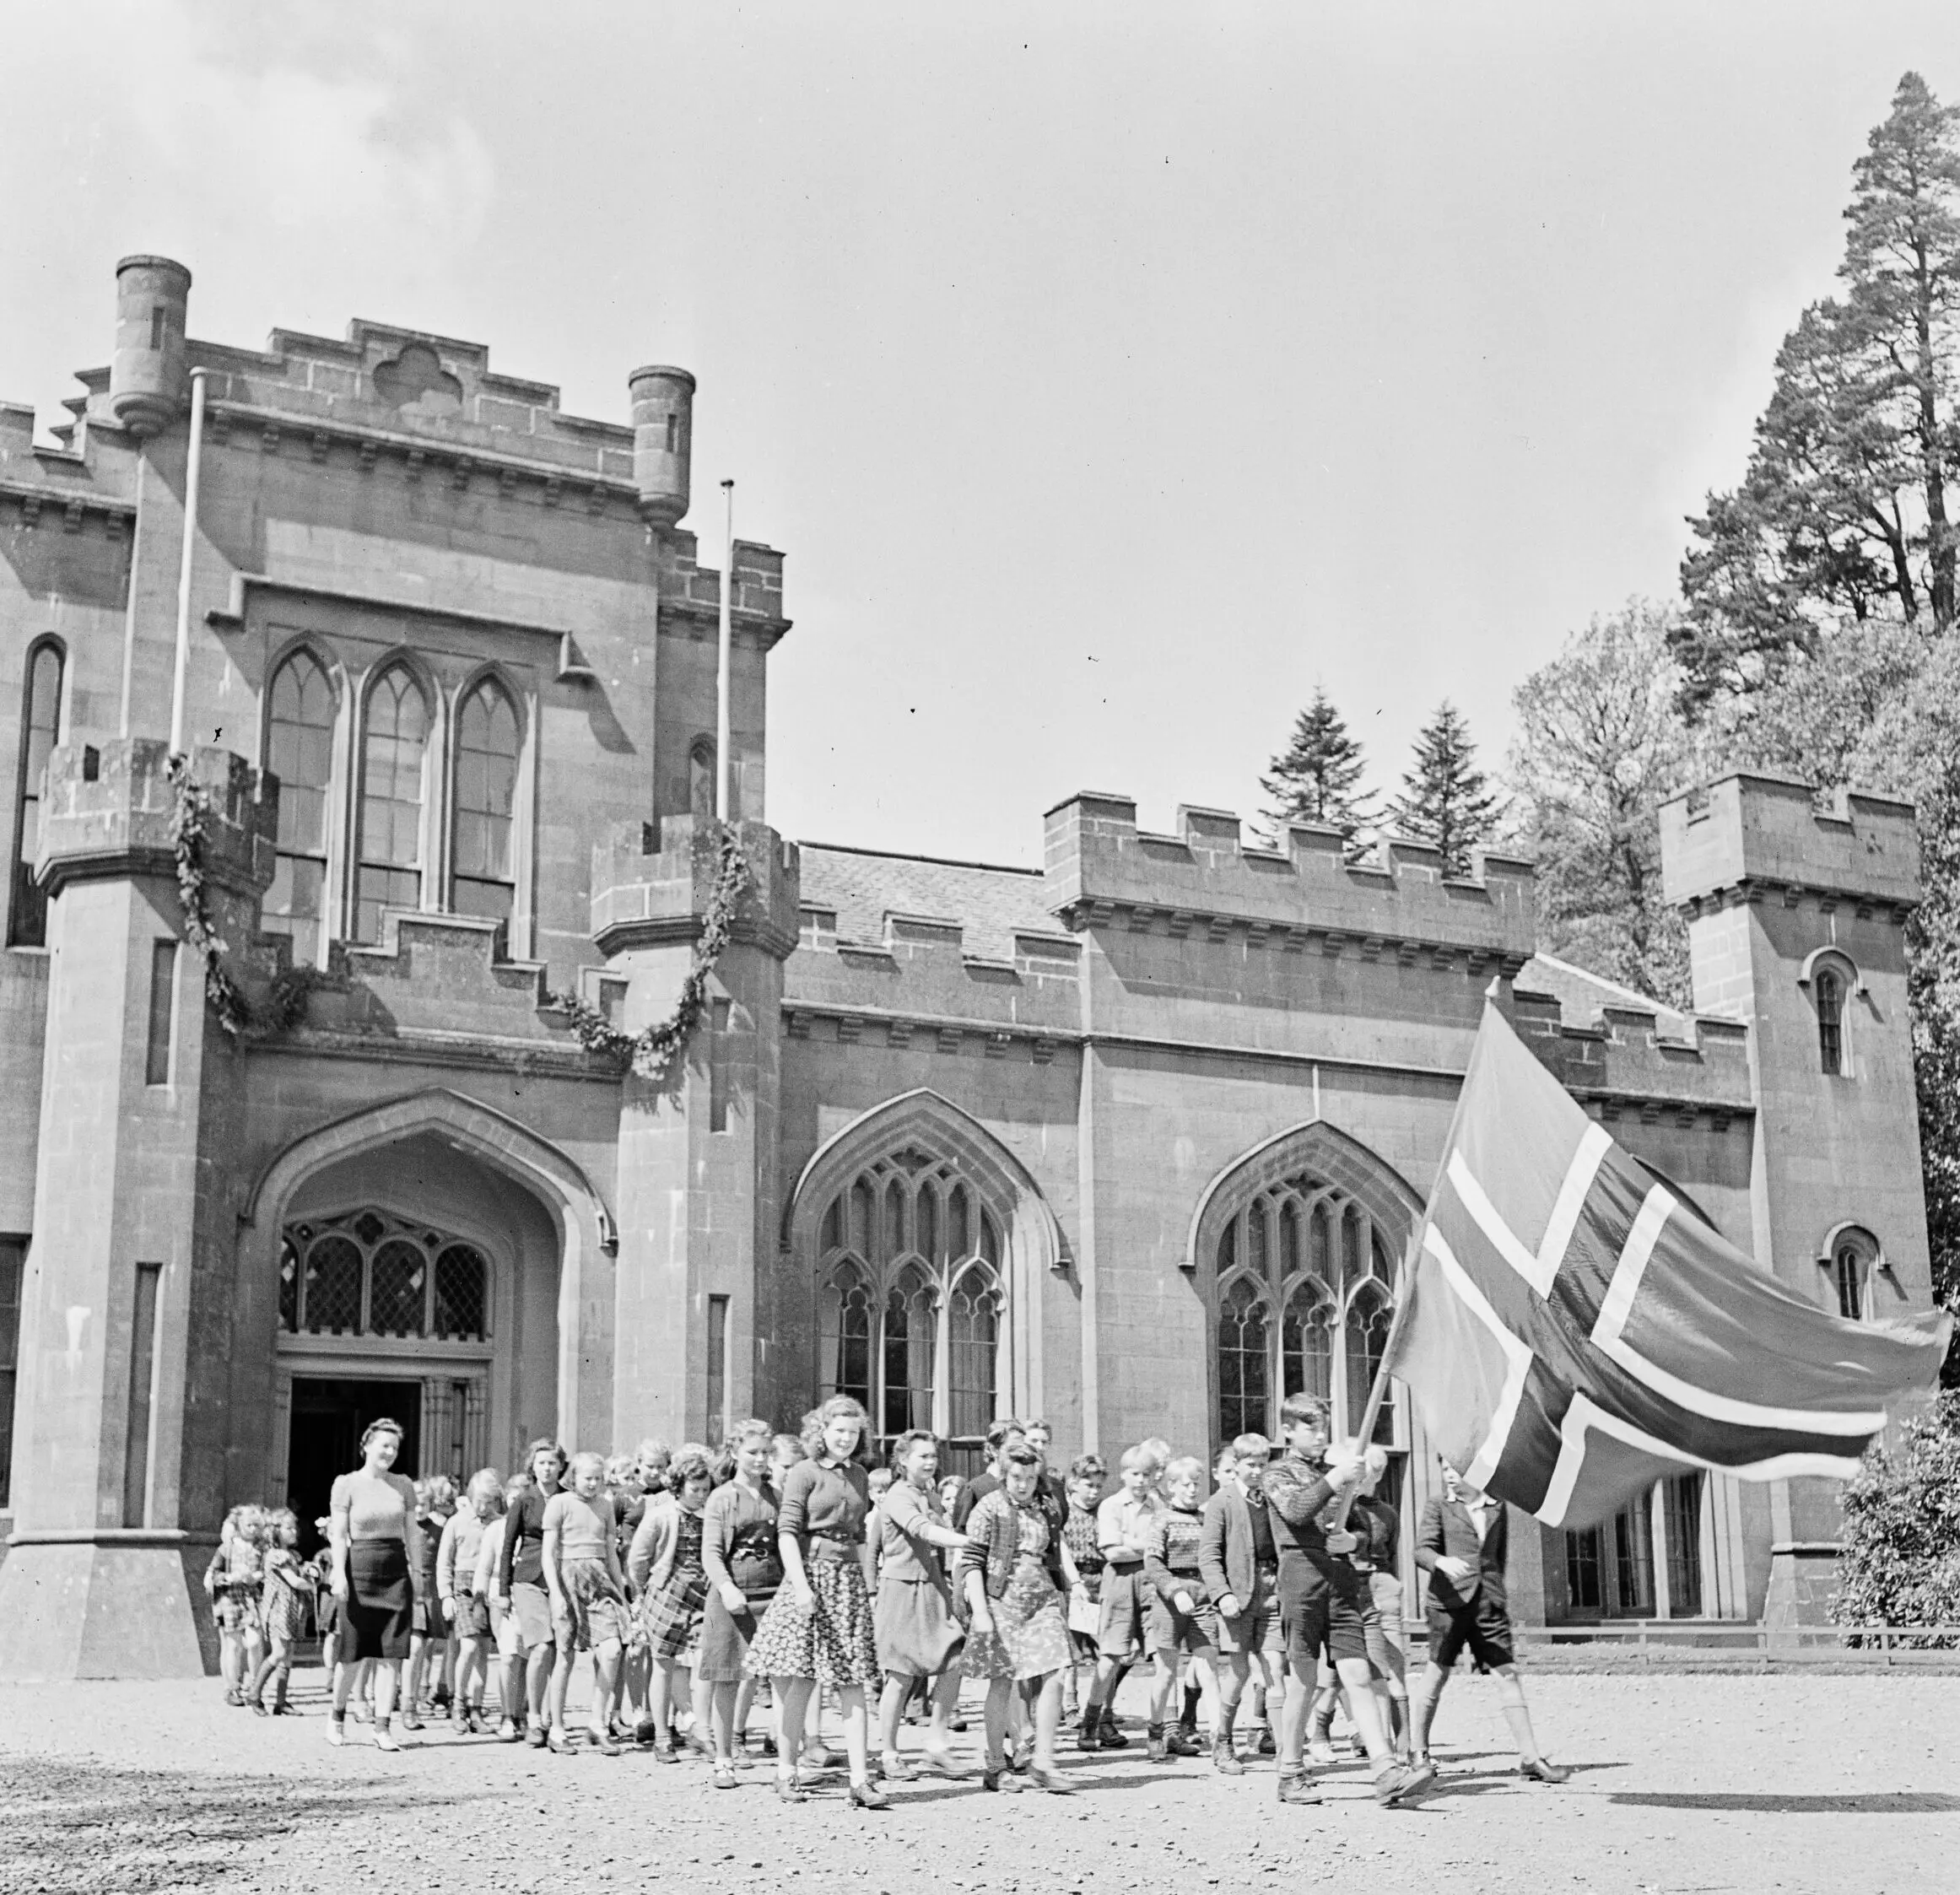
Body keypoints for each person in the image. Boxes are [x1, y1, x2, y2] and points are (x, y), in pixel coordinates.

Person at [1263, 1394, 1418, 1806]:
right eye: (1310, 1427)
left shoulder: (1335, 1474)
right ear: (1289, 1430)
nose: (1318, 1435)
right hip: (1300, 1577)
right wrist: (1334, 1479)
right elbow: (1296, 1510)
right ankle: (1290, 1770)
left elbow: (1362, 1527)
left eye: (1323, 1427)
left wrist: (1355, 1540)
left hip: (1342, 1577)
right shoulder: (1277, 1472)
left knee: (1358, 1674)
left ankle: (1384, 1768)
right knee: (1305, 1679)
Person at [745, 1394, 886, 1807]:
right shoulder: (804, 1473)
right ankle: (787, 1772)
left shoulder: (859, 1474)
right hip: (809, 1578)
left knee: (853, 1683)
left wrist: (867, 1588)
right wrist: (802, 1586)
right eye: (838, 1430)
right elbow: (788, 1532)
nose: (845, 1438)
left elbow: (860, 1538)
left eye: (853, 1432)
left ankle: (860, 1781)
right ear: (821, 1432)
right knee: (801, 1682)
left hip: (848, 1584)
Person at [1407, 1462, 1569, 1792]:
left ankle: (1530, 1759)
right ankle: (1418, 1752)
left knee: (1508, 1674)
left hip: (1488, 1606)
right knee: (1436, 1674)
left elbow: (1498, 1557)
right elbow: (1421, 1550)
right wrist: (1440, 1561)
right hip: (1449, 1605)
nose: (1450, 1475)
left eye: (1456, 1469)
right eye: (1444, 1469)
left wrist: (1496, 1595)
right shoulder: (1439, 1506)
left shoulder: (1498, 1507)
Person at [959, 1443, 1077, 1795]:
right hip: (1002, 1601)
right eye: (1016, 1477)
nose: (1023, 1484)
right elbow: (970, 1562)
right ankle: (995, 1765)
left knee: (1058, 1669)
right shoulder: (989, 1508)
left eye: (1029, 1477)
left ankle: (1043, 1759)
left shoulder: (1045, 1508)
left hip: (1042, 1599)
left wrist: (1073, 1583)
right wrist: (980, 1611)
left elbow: (1057, 1548)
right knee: (1002, 1681)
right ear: (1004, 1474)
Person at [872, 1428, 970, 1780]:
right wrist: (971, 1542)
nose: (931, 1462)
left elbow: (940, 1525)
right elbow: (924, 1530)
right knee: (900, 1676)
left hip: (932, 1587)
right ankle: (889, 1754)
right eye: (922, 1456)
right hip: (901, 1590)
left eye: (933, 1456)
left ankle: (936, 1746)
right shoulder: (898, 1495)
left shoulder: (927, 1492)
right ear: (902, 1460)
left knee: (955, 1659)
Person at [327, 1417, 424, 1751]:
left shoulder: (404, 1485)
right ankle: (337, 1716)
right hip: (359, 1570)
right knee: (352, 1654)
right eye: (383, 1445)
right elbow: (339, 1534)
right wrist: (338, 1572)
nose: (389, 1452)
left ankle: (382, 1727)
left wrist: (418, 1572)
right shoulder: (347, 1484)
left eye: (394, 1448)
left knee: (392, 1655)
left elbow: (412, 1532)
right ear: (366, 1445)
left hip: (395, 1572)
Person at [699, 1419, 783, 1788]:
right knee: (728, 1676)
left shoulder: (776, 1495)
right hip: (732, 1595)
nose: (761, 1459)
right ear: (735, 1453)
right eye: (753, 1452)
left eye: (766, 1452)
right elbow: (711, 1552)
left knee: (783, 1676)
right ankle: (723, 1758)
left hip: (773, 1591)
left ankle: (787, 1760)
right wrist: (726, 1587)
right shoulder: (722, 1497)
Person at [629, 1442, 716, 1762]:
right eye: (695, 1489)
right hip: (666, 1594)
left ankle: (700, 1730)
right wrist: (644, 1591)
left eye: (706, 1489)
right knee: (663, 1665)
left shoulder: (711, 1516)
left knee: (703, 1662)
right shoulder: (660, 1516)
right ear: (679, 1487)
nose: (701, 1494)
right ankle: (663, 1737)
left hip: (702, 1594)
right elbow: (638, 1559)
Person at [543, 1450, 632, 1755]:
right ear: (574, 1478)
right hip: (568, 1578)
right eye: (587, 1478)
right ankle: (557, 1729)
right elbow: (549, 1553)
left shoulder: (606, 1506)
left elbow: (611, 1554)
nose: (593, 1484)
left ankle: (597, 1722)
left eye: (598, 1478)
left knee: (612, 1649)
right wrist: (555, 1592)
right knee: (565, 1656)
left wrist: (620, 1592)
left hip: (600, 1579)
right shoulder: (559, 1503)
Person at [1082, 1444, 1159, 1752]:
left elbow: (1164, 1544)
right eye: (1135, 1474)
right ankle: (1091, 1723)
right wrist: (1147, 1546)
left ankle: (1165, 1728)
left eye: (1147, 1474)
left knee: (1161, 1653)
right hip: (1120, 1583)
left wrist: (1135, 1544)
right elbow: (1113, 1551)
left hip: (1152, 1581)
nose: (1141, 1480)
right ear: (1124, 1474)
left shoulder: (1158, 1504)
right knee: (1111, 1656)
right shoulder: (1111, 1506)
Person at [1142, 1455, 1218, 1763]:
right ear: (1171, 1486)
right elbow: (1153, 1563)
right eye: (1185, 1484)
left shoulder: (1206, 1518)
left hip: (1203, 1597)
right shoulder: (1161, 1519)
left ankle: (1220, 1739)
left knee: (1209, 1667)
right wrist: (1174, 1590)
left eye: (1196, 1484)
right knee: (1166, 1672)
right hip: (1170, 1601)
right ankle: (1157, 1731)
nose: (1192, 1489)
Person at [495, 1439, 568, 1748]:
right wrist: (503, 1591)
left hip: (564, 1582)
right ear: (532, 1466)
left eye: (552, 1462)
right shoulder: (524, 1501)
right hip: (529, 1580)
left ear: (561, 1466)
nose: (547, 1468)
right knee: (540, 1648)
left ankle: (554, 1719)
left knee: (560, 1653)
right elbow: (508, 1547)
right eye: (541, 1463)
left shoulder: (570, 1499)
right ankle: (534, 1719)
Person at [438, 1468, 503, 1733]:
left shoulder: (500, 1522)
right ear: (470, 1496)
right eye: (479, 1500)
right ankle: (458, 1703)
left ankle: (477, 1710)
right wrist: (445, 1595)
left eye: (489, 1501)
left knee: (484, 1653)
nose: (484, 1507)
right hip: (463, 1588)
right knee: (468, 1647)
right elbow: (445, 1562)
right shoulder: (456, 1522)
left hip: (489, 1589)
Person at [474, 1472, 532, 1739]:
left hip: (530, 1594)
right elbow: (484, 1568)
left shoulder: (535, 1530)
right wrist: (479, 1598)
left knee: (526, 1657)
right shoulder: (496, 1529)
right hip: (501, 1595)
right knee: (508, 1657)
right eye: (514, 1494)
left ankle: (522, 1712)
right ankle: (507, 1715)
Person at [1058, 1455, 1107, 1730]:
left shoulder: (1105, 1511)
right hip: (1074, 1580)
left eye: (1099, 1486)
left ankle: (1102, 1706)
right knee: (1071, 1648)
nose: (1093, 1492)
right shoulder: (1065, 1513)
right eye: (1088, 1485)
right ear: (1074, 1483)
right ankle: (1071, 1705)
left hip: (1102, 1577)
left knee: (1109, 1647)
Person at [404, 1473, 456, 1729]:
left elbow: (447, 1561)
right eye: (415, 1504)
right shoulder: (402, 1528)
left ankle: (413, 1702)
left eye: (424, 1503)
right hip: (406, 1592)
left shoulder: (440, 1530)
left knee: (422, 1649)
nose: (420, 1508)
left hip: (428, 1593)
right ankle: (404, 1702)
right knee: (410, 1650)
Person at [249, 1509, 310, 1716]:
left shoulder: (292, 1555)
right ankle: (254, 1694)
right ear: (276, 1531)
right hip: (278, 1608)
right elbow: (294, 1581)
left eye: (295, 1527)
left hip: (290, 1608)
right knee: (278, 1653)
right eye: (288, 1528)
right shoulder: (276, 1555)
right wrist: (313, 1583)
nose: (293, 1531)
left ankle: (281, 1702)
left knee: (287, 1656)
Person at [206, 1505, 265, 1708]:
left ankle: (256, 1686)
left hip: (252, 1597)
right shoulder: (227, 1548)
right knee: (233, 1645)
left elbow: (266, 1570)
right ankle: (232, 1688)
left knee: (256, 1641)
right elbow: (213, 1573)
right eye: (249, 1525)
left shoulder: (262, 1548)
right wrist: (231, 1577)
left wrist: (256, 1576)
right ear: (240, 1524)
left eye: (257, 1525)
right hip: (230, 1598)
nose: (253, 1529)